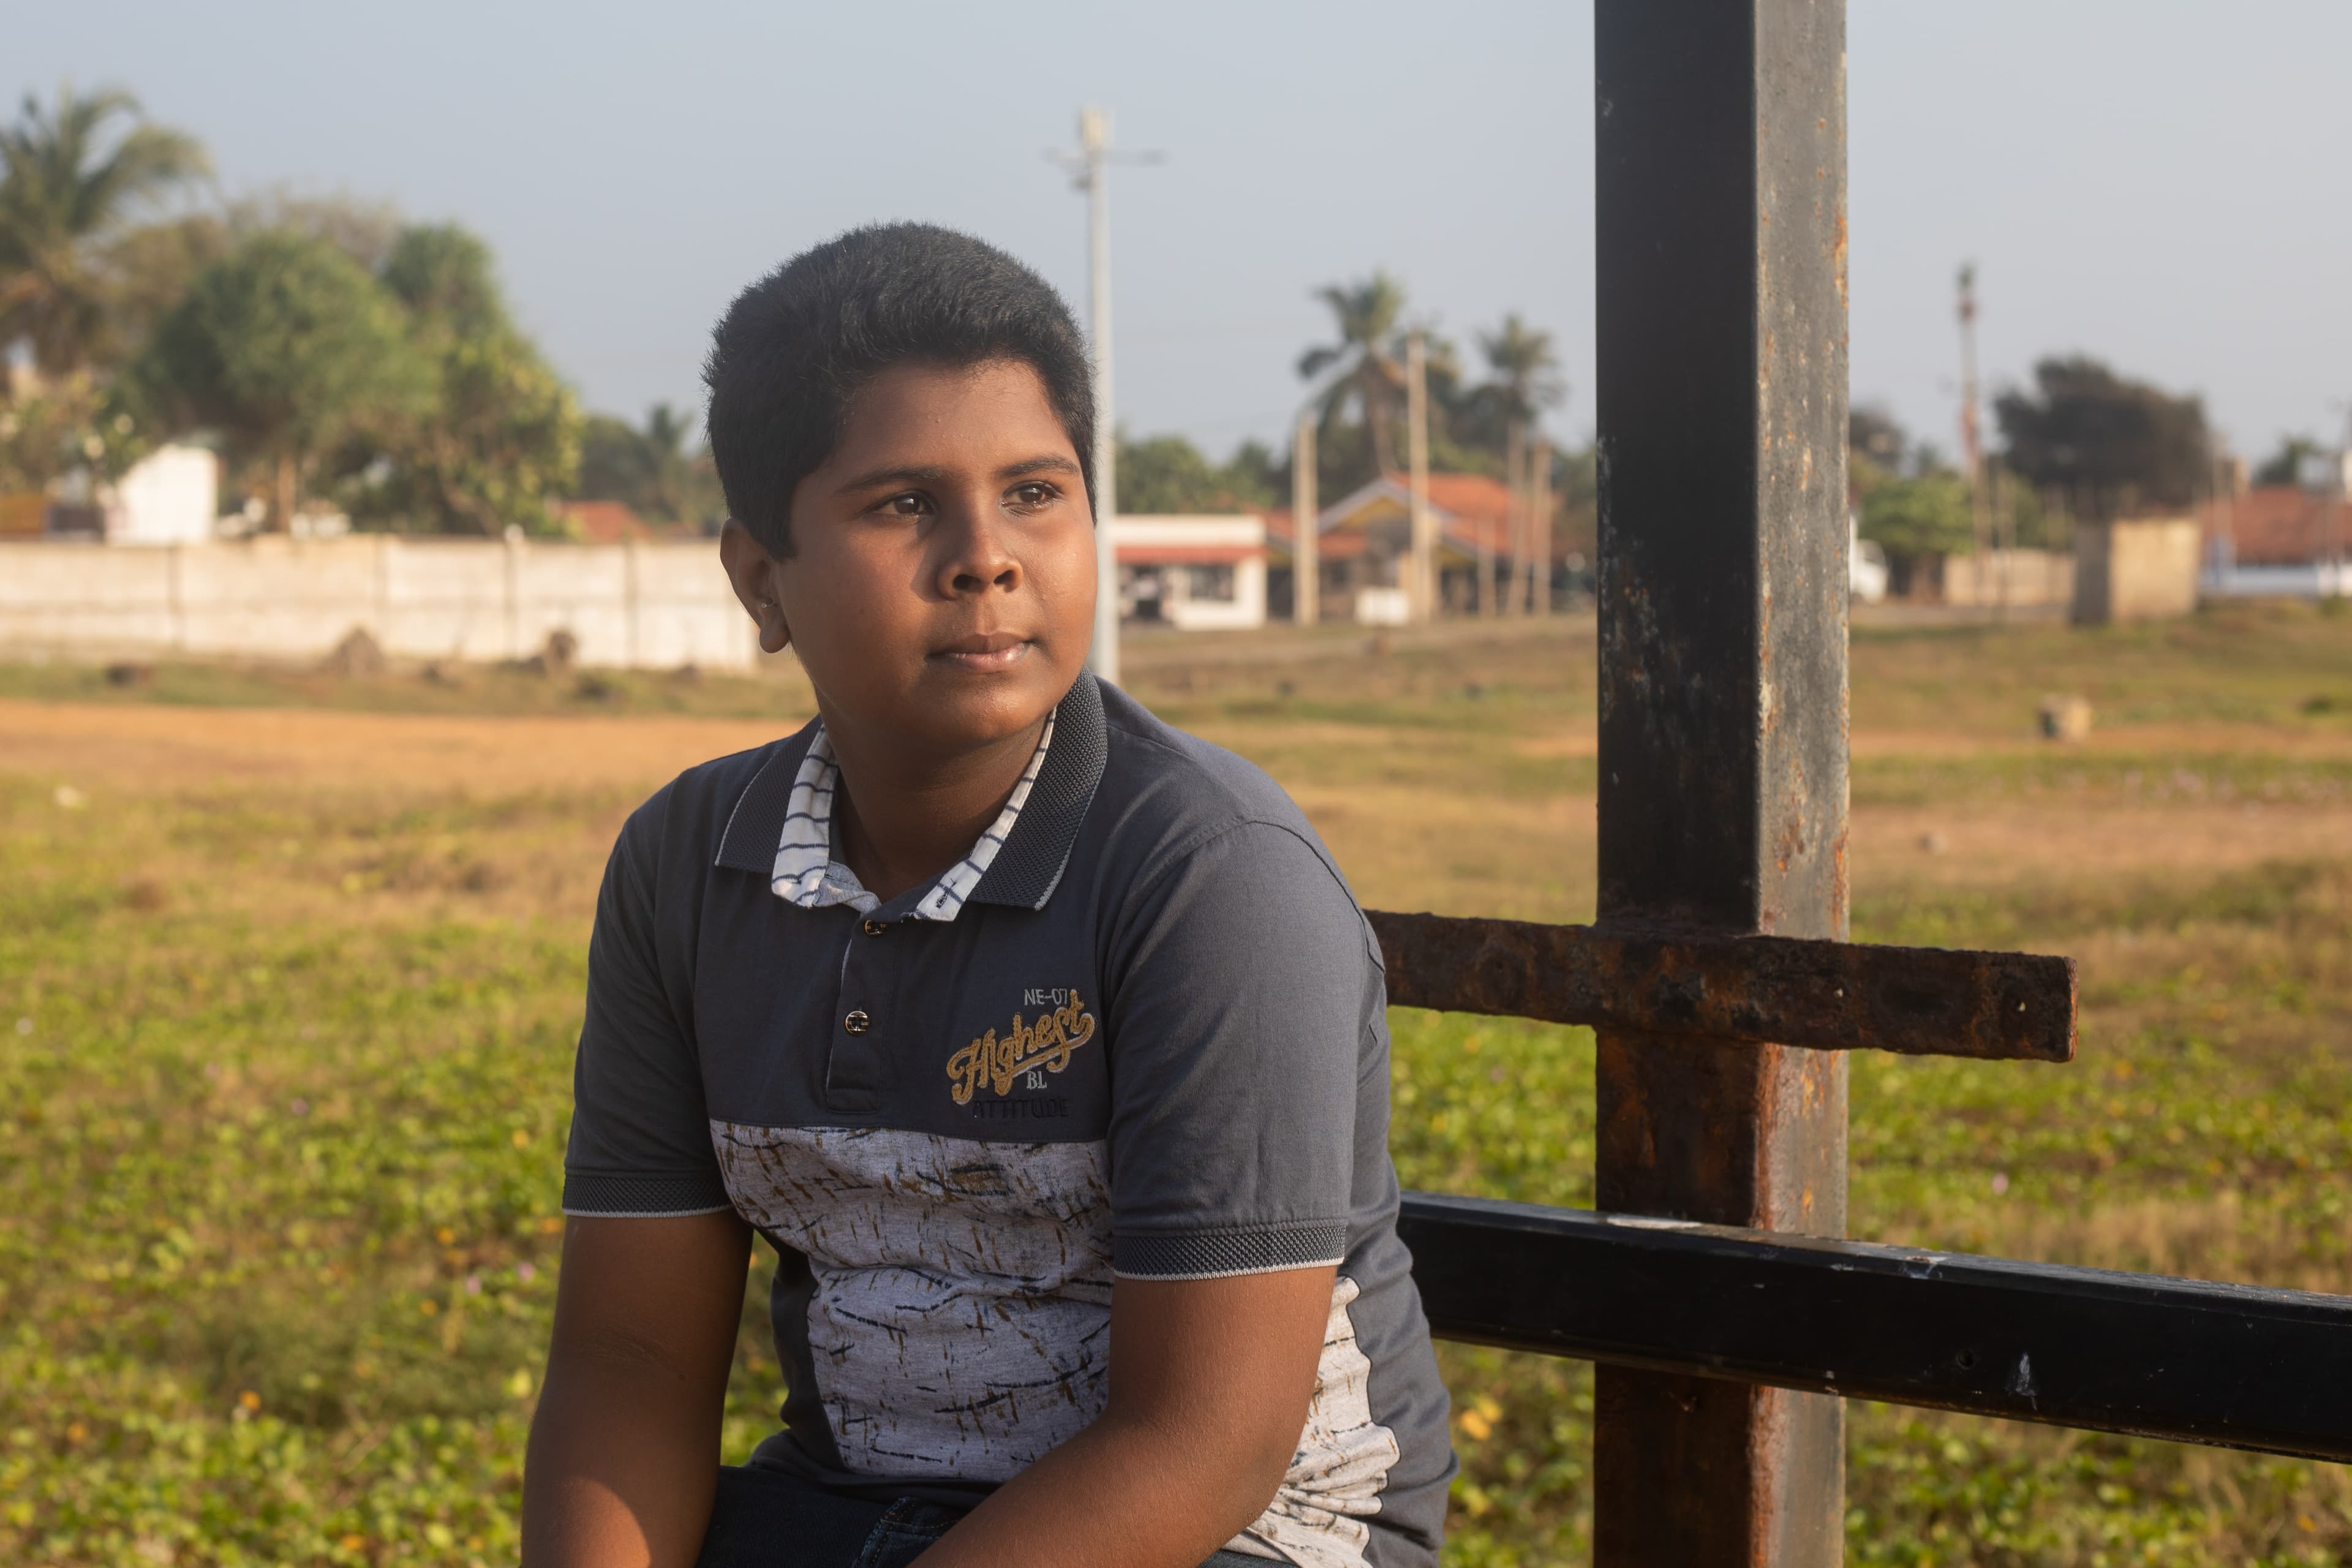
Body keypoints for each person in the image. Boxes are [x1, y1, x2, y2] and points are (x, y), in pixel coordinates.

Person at [520, 223, 1452, 1568]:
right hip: (848, 1504)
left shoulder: (1209, 876)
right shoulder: (687, 865)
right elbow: (625, 1359)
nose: (986, 556)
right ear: (758, 577)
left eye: (1034, 492)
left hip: (1243, 1532)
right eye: (902, 503)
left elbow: (1201, 1441)